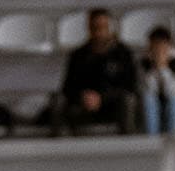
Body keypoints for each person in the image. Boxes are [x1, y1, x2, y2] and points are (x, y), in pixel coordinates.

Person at [55, 8, 139, 136]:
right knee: (58, 102)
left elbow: (130, 86)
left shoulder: (123, 54)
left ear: (110, 28)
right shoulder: (78, 55)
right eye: (95, 27)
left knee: (128, 101)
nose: (99, 31)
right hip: (84, 105)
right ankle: (62, 148)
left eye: (103, 27)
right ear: (88, 28)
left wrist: (102, 98)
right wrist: (82, 96)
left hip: (112, 104)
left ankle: (128, 142)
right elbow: (68, 87)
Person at [137, 25, 175, 135]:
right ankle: (152, 140)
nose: (158, 50)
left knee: (174, 102)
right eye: (154, 45)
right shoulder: (143, 64)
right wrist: (155, 68)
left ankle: (174, 139)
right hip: (154, 108)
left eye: (161, 45)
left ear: (169, 45)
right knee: (148, 100)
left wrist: (163, 69)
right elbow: (147, 90)